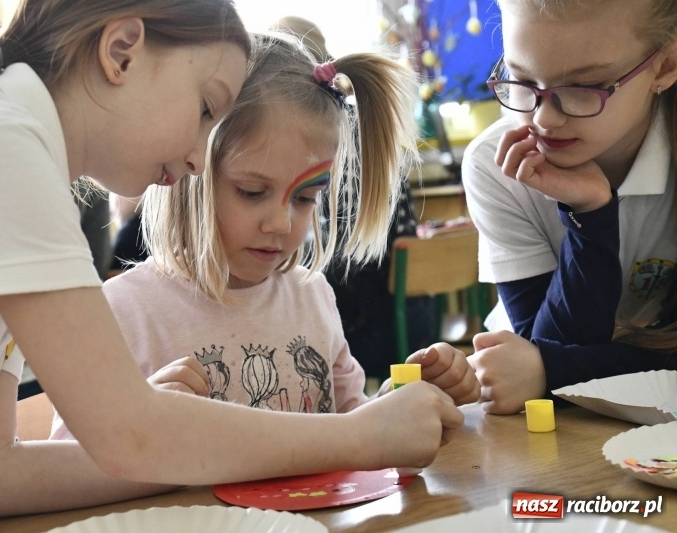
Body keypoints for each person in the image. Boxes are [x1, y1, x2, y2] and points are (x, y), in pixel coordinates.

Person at [0, 0, 463, 519]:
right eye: (208, 109)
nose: (199, 157)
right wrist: (357, 438)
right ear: (122, 52)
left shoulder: (10, 159)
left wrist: (191, 442)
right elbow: (130, 433)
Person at [50, 33, 478, 442]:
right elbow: (70, 470)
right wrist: (141, 425)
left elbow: (352, 427)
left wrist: (402, 404)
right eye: (252, 192)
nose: (280, 222)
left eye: (306, 198)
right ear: (190, 170)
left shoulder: (312, 296)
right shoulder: (124, 312)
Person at [461, 0, 677, 415]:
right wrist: (589, 215)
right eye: (521, 80)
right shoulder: (496, 162)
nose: (544, 119)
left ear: (664, 67)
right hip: (543, 427)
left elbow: (544, 366)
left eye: (581, 88)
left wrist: (552, 369)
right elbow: (537, 360)